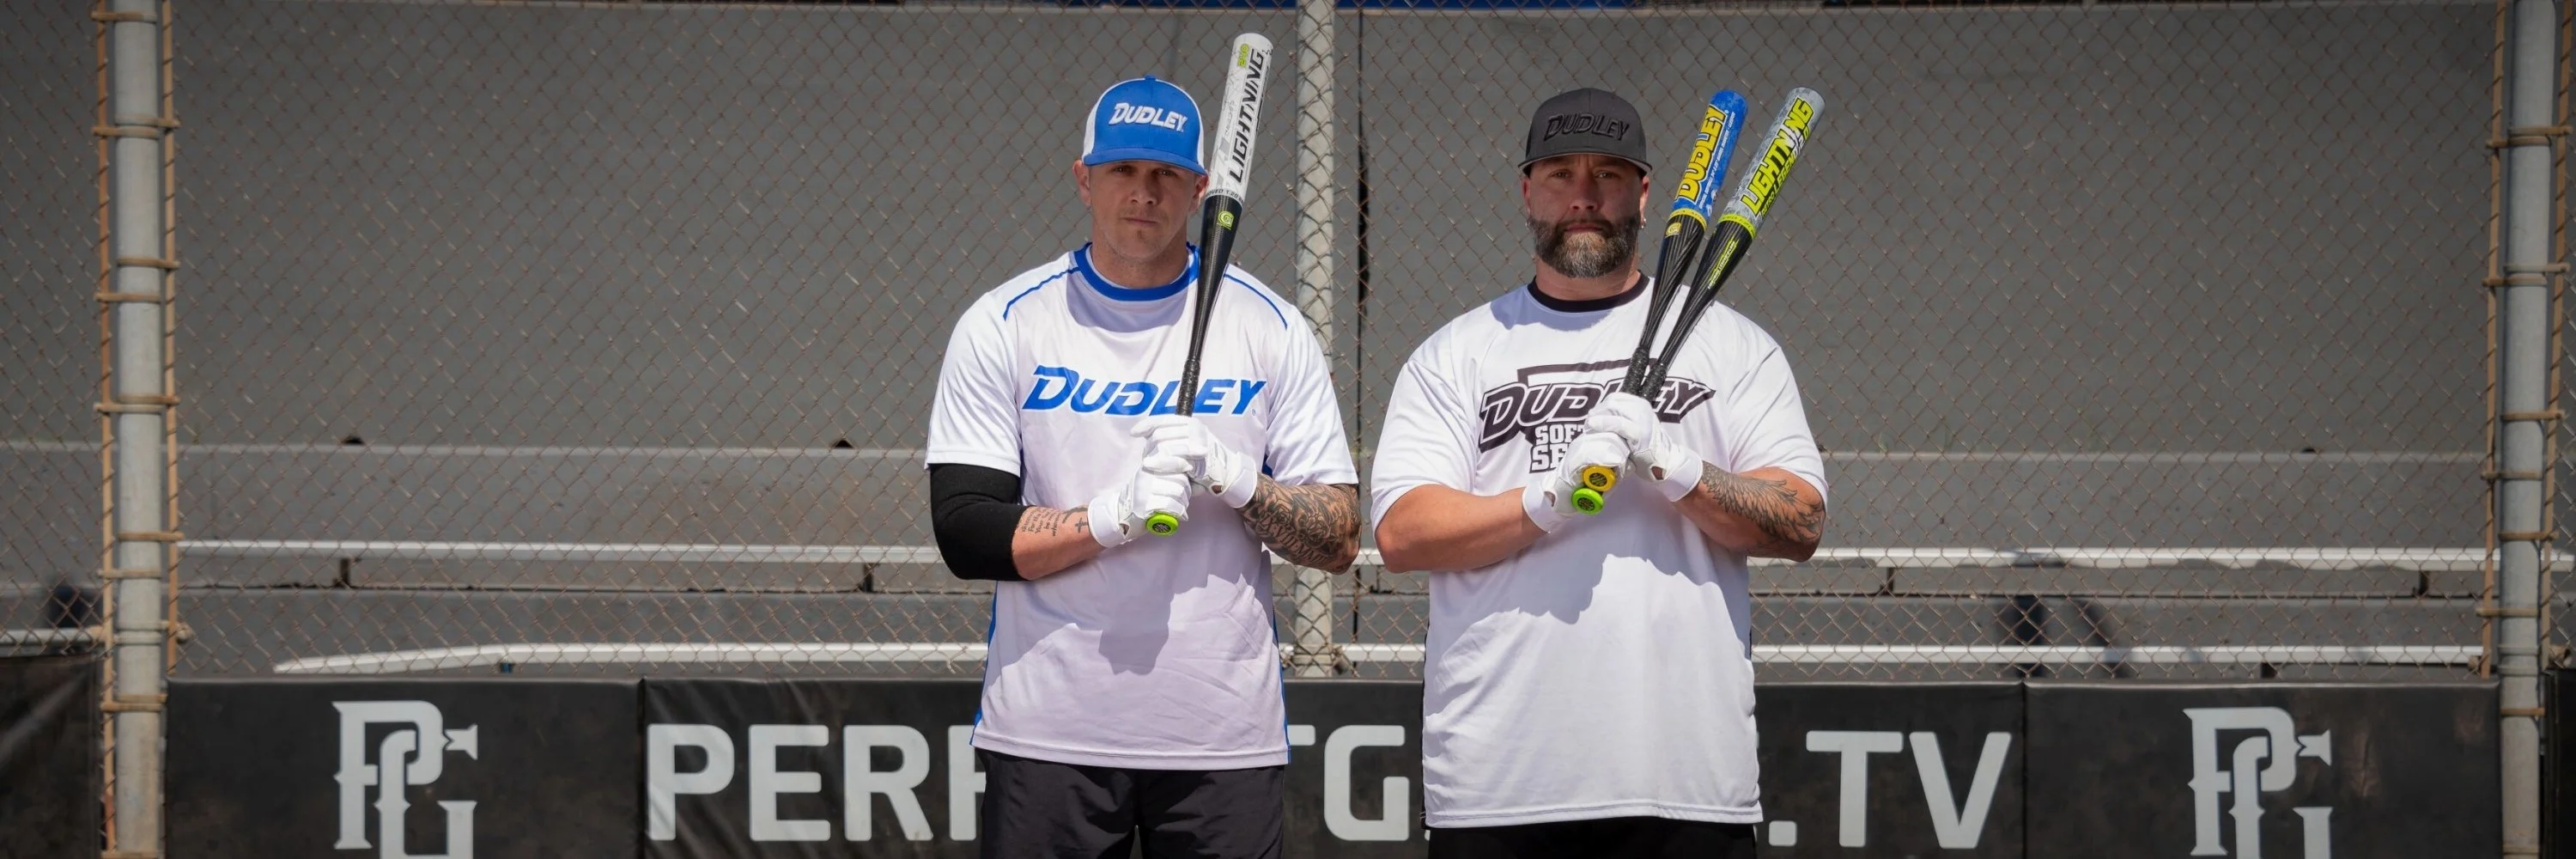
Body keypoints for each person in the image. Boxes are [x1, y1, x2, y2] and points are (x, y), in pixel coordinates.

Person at [1367, 88, 1830, 858]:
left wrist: (1674, 466)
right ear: (1526, 190)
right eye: (1559, 175)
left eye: (1609, 175)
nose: (1584, 198)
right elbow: (1405, 534)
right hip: (1497, 784)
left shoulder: (1735, 347)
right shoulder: (1458, 353)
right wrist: (1548, 499)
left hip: (1684, 781)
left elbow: (1801, 520)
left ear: (1646, 194)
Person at [922, 75, 1361, 858]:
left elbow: (1337, 540)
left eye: (1165, 175)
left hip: (1220, 738)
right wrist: (1109, 518)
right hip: (1050, 732)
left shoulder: (1269, 327)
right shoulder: (1006, 323)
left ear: (1199, 188)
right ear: (1084, 177)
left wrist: (1237, 480)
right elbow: (966, 531)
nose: (1143, 193)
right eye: (1123, 171)